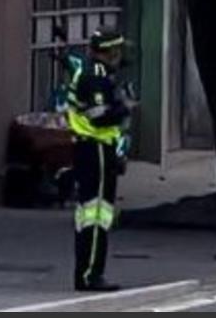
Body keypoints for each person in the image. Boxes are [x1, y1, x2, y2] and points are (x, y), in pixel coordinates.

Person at [66, 28, 134, 292]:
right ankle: (90, 274)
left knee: (95, 214)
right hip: (95, 148)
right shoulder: (96, 77)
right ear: (110, 52)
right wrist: (124, 108)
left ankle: (89, 271)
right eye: (117, 51)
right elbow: (99, 115)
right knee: (96, 213)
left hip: (94, 148)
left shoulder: (96, 73)